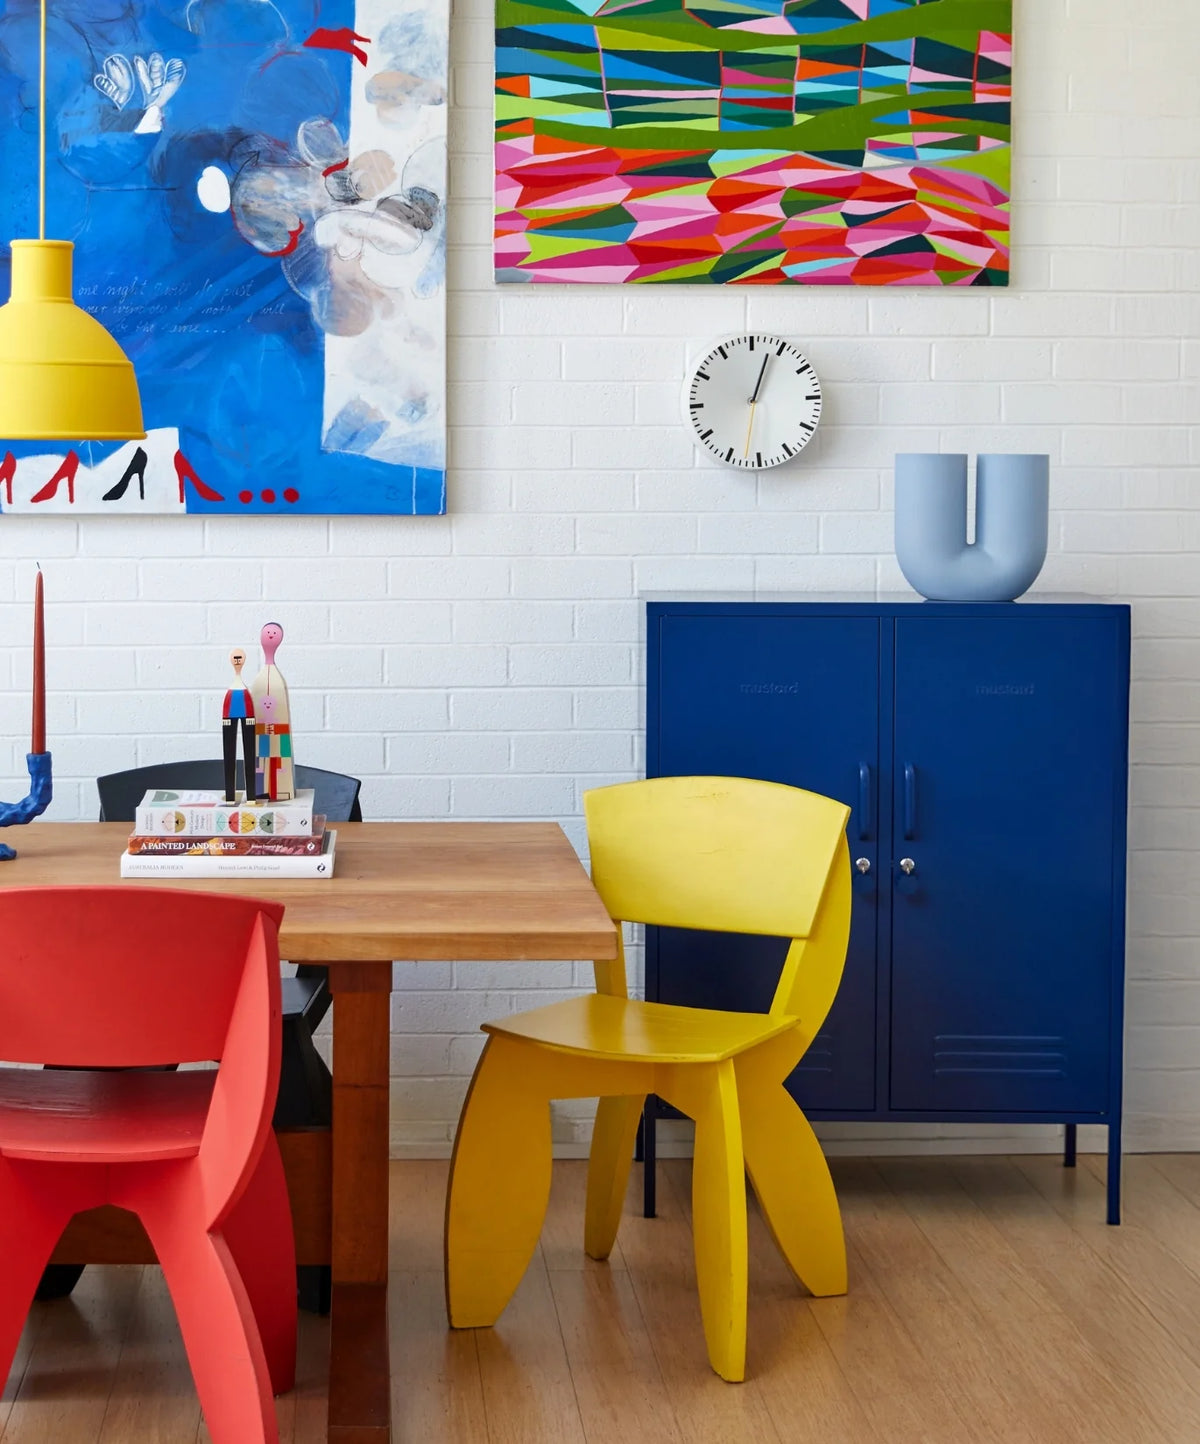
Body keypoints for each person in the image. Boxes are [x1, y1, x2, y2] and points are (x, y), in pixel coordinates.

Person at [222, 647, 257, 801]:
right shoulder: (232, 692)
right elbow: (226, 707)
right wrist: (226, 720)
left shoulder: (244, 692)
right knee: (229, 757)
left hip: (247, 720)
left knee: (249, 756)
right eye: (235, 658)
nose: (237, 660)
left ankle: (251, 797)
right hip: (229, 720)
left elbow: (249, 706)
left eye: (239, 658)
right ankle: (230, 797)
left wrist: (250, 718)